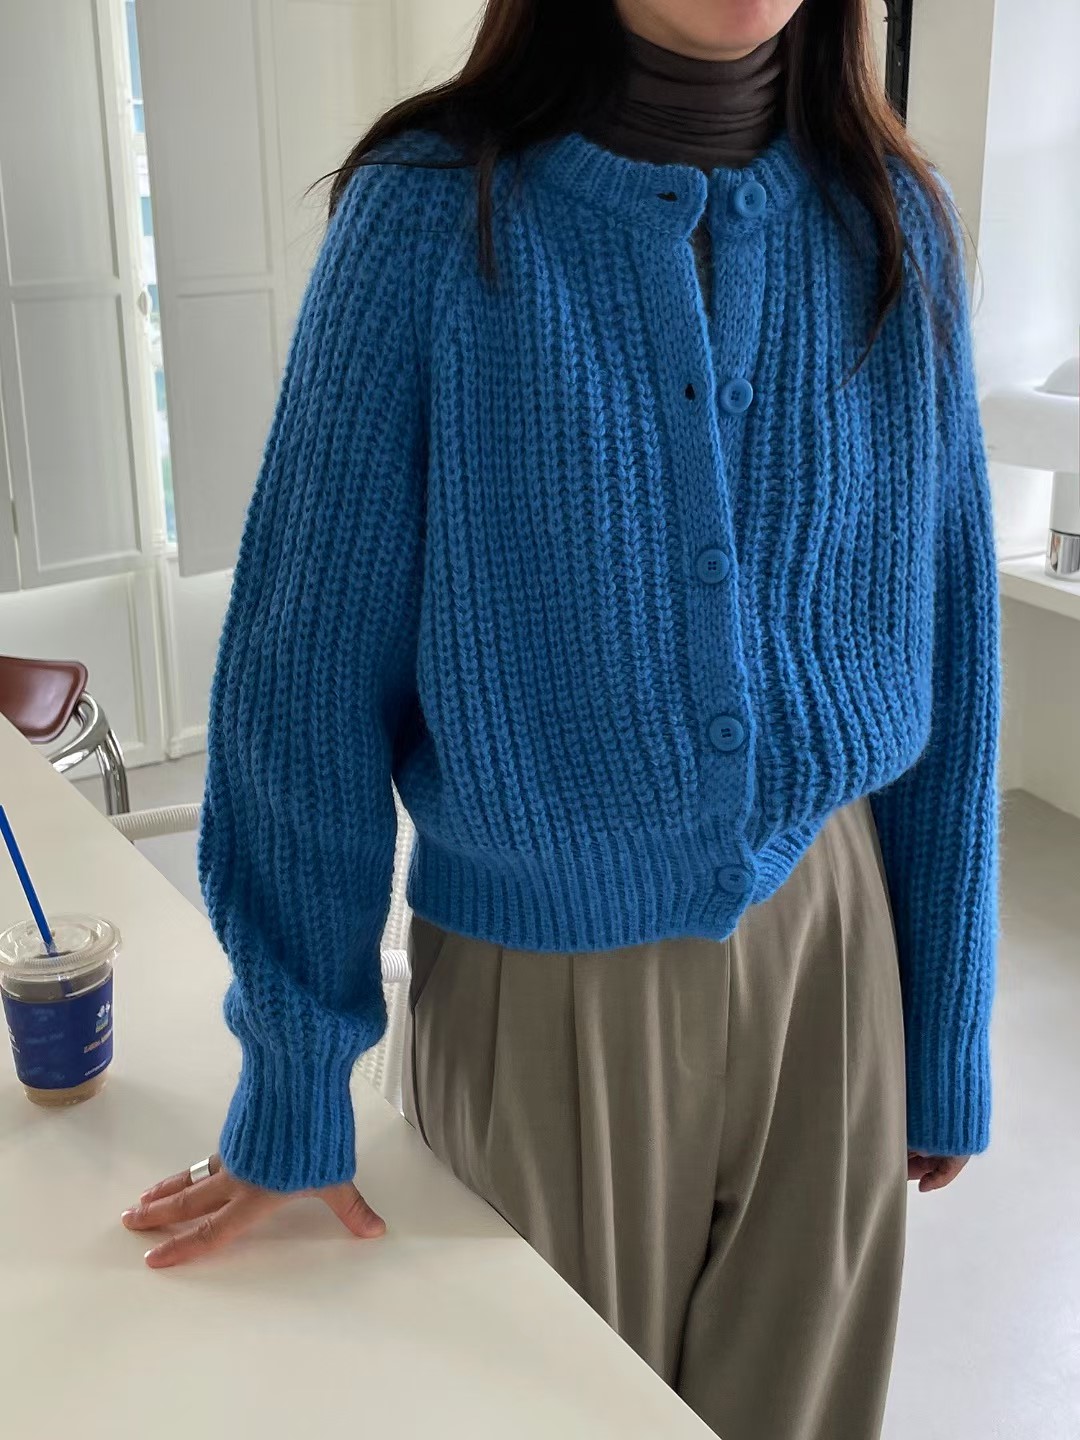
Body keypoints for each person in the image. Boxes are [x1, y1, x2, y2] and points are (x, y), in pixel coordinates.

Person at [123, 1, 1001, 1436]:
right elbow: (303, 684)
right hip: (539, 990)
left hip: (839, 963)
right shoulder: (429, 216)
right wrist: (296, 1067)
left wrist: (946, 1021)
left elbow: (953, 653)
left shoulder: (898, 223)